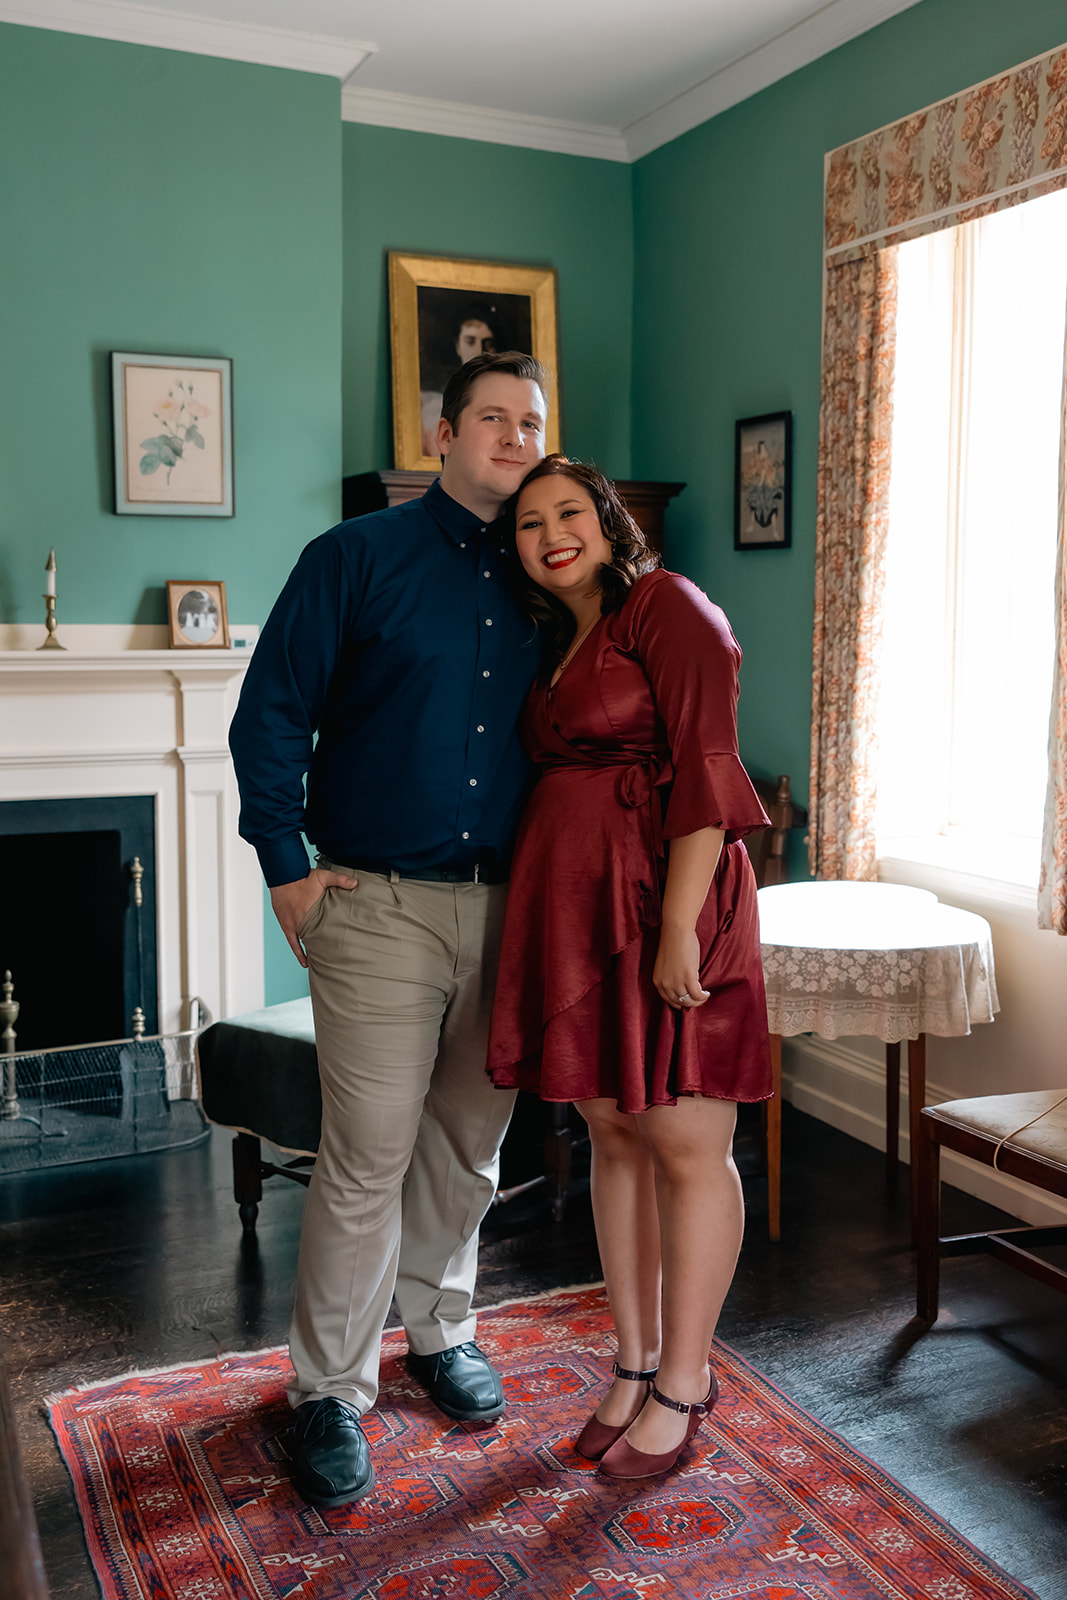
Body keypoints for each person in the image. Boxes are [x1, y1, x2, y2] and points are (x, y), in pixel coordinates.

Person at [228, 352, 549, 1508]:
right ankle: (328, 1388)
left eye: (530, 422)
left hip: (511, 905)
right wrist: (285, 872)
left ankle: (440, 1330)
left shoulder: (546, 572)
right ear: (445, 432)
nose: (513, 437)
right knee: (366, 1150)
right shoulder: (353, 557)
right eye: (493, 419)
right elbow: (267, 716)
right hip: (374, 904)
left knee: (469, 1141)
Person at [487, 456, 772, 1480]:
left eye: (569, 512)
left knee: (685, 1137)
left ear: (608, 525)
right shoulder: (558, 644)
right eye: (528, 523)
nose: (550, 532)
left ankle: (686, 1381)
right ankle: (634, 1359)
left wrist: (677, 928)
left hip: (668, 903)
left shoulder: (667, 607)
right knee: (612, 1129)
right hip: (582, 913)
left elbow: (704, 770)